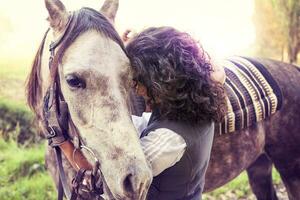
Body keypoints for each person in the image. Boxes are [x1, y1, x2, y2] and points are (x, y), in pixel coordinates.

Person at [126, 26, 227, 200]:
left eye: (138, 81)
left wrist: (65, 145)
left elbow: (121, 180)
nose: (135, 89)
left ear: (159, 80)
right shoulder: (193, 106)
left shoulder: (167, 138)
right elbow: (144, 123)